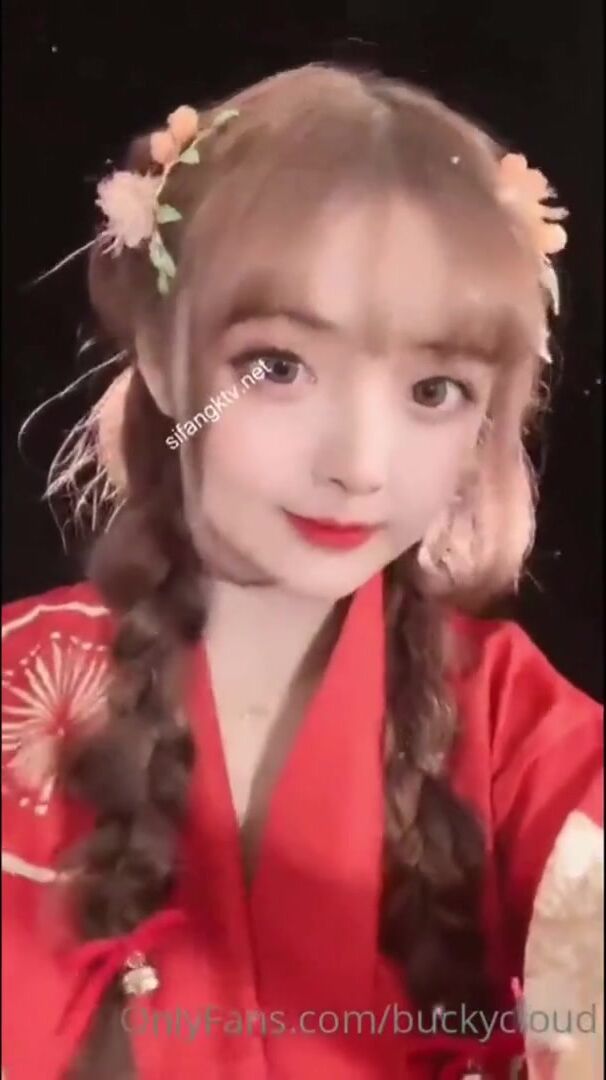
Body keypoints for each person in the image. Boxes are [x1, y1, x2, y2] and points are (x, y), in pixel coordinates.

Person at [2, 62, 603, 1080]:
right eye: (276, 367)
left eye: (435, 389)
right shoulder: (20, 682)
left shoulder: (513, 726)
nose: (359, 466)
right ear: (165, 359)